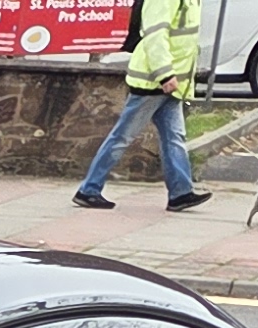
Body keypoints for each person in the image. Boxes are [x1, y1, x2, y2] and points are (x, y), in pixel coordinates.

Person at [74, 0, 208, 211]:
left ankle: (181, 193)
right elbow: (155, 36)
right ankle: (88, 190)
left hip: (170, 83)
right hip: (154, 81)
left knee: (174, 138)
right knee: (123, 136)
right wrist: (165, 74)